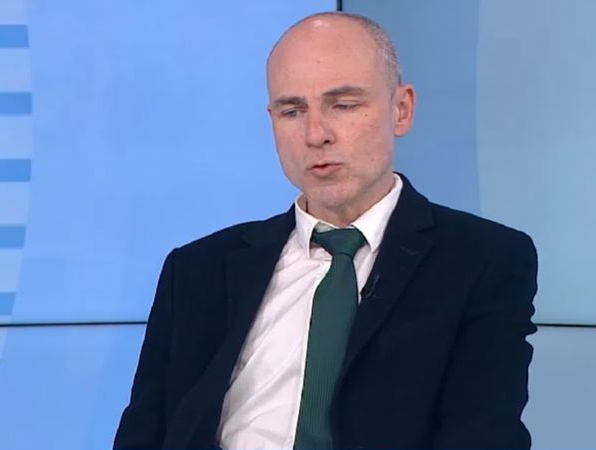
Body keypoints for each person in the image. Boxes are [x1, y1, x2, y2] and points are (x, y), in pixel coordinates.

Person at [114, 11, 537, 450]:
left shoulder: (482, 261)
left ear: (402, 109)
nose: (315, 134)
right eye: (292, 111)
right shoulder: (197, 270)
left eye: (343, 105)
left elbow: (483, 435)